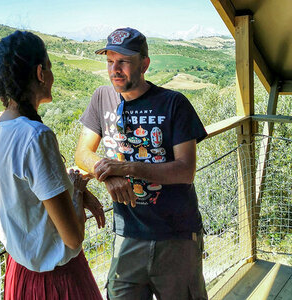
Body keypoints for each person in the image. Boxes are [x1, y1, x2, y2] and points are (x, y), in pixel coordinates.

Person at [75, 27, 208, 299]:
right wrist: (108, 175)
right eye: (110, 61)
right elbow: (82, 154)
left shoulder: (174, 103)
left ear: (144, 64)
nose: (115, 69)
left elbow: (185, 170)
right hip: (128, 235)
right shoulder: (102, 98)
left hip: (176, 236)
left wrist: (126, 168)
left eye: (123, 61)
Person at [0, 30, 105, 299]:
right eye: (49, 66)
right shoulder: (36, 136)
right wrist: (77, 190)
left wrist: (69, 184)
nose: (51, 73)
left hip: (19, 273)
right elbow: (72, 238)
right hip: (56, 282)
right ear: (40, 73)